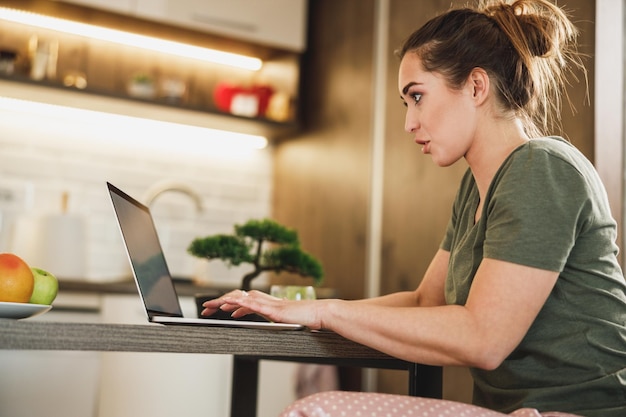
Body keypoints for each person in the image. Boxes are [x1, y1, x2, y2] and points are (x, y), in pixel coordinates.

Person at [202, 1, 626, 416]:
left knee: (318, 411)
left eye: (417, 97)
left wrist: (325, 311)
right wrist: (299, 314)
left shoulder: (542, 168)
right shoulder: (476, 187)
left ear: (477, 86)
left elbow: (483, 338)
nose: (409, 122)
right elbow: (426, 301)